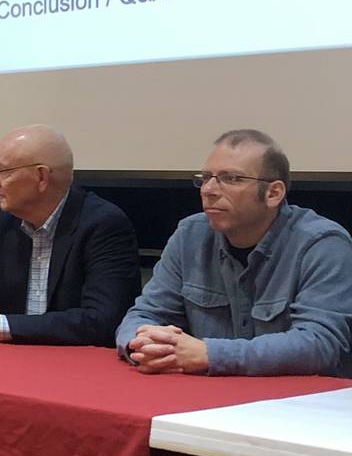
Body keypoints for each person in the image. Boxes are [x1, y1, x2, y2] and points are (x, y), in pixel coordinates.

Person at [117, 129, 352, 376]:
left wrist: (210, 354)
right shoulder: (190, 235)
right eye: (206, 177)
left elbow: (321, 345)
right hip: (206, 401)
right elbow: (143, 314)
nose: (209, 190)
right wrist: (142, 343)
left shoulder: (322, 244)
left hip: (300, 404)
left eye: (231, 178)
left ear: (273, 193)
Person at [0, 124, 140, 346]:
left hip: (75, 365)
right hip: (10, 360)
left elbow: (103, 321)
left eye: (2, 171)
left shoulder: (102, 224)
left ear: (41, 177)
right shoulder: (0, 221)